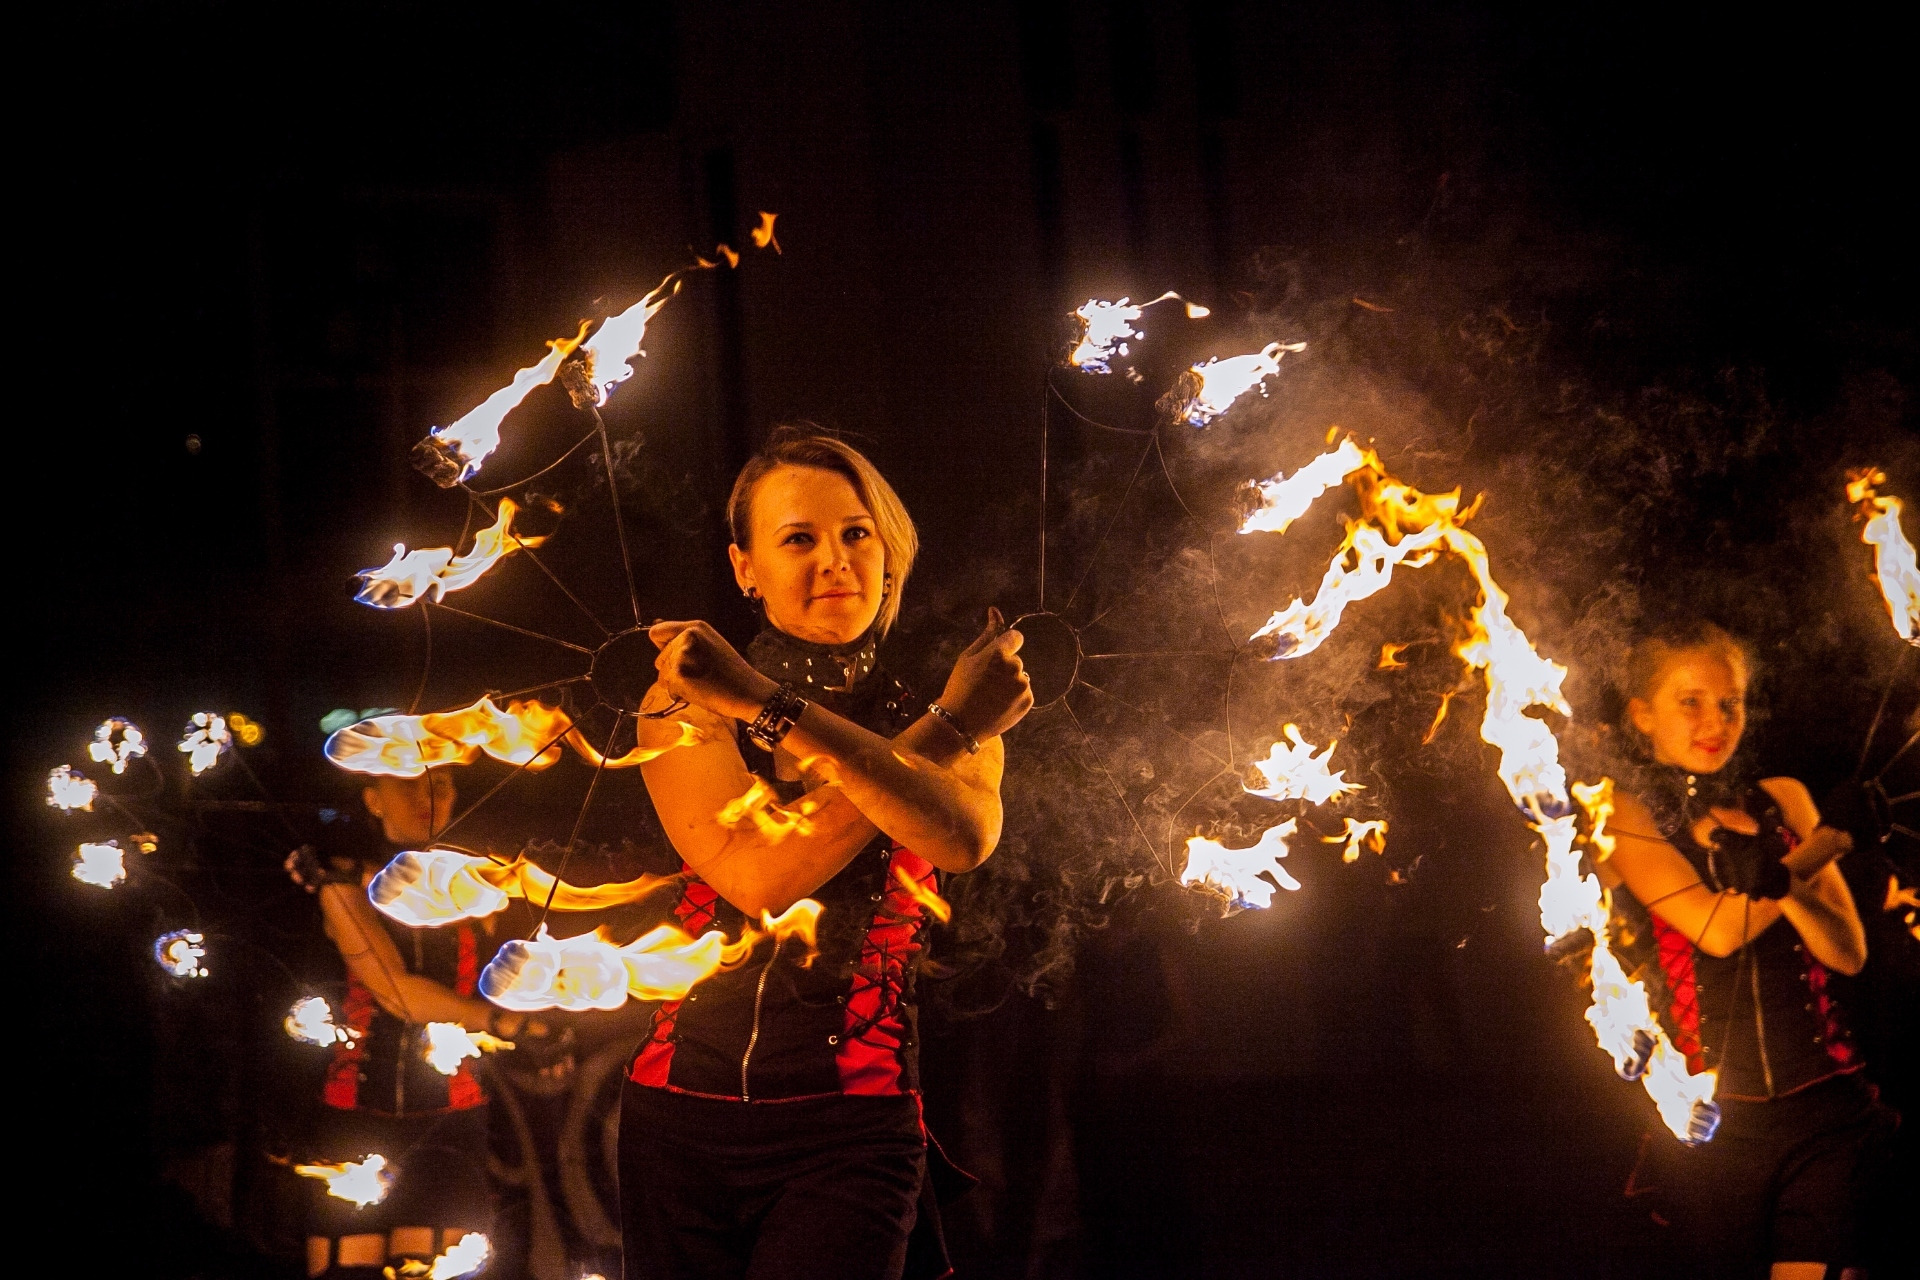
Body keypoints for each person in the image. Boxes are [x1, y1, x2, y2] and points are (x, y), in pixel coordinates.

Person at [617, 427, 1033, 1280]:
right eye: (798, 539)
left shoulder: (945, 694)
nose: (835, 561)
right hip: (676, 1121)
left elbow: (963, 839)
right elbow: (756, 877)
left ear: (889, 548)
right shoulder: (686, 699)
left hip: (854, 1128)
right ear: (745, 569)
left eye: (856, 533)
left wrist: (763, 702)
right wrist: (943, 732)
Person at [1602, 622, 1893, 1280]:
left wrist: (1782, 868)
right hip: (1709, 1129)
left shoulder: (1783, 798)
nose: (1715, 720)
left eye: (1730, 702)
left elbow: (1847, 952)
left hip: (1826, 1113)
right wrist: (1821, 848)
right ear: (1642, 715)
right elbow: (1715, 928)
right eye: (1690, 701)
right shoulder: (1625, 816)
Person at [287, 769, 551, 1278]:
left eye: (444, 783)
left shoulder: (478, 880)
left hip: (450, 1122)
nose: (429, 796)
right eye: (407, 783)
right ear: (373, 799)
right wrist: (503, 1023)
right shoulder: (339, 877)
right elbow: (397, 993)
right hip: (355, 1119)